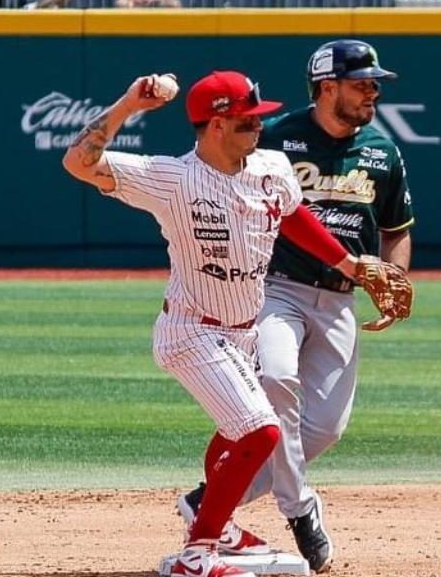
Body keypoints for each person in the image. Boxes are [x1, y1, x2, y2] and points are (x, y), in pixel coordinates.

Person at [62, 69, 397, 577]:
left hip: (241, 331)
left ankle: (216, 526)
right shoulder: (172, 178)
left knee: (233, 432)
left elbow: (292, 214)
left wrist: (349, 265)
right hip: (193, 330)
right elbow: (78, 163)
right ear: (215, 125)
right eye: (245, 121)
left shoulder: (271, 166)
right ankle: (196, 555)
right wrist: (130, 103)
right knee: (261, 431)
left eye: (258, 118)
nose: (257, 127)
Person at [176, 40, 415, 574]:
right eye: (362, 83)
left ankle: (210, 500)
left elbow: (396, 229)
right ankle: (300, 508)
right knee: (277, 383)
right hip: (274, 288)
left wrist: (393, 276)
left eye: (374, 83)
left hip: (339, 298)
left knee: (324, 426)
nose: (372, 91)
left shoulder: (382, 150)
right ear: (327, 88)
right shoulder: (276, 137)